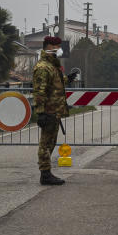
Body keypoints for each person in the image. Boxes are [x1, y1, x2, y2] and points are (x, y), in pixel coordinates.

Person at [32, 36, 77, 185]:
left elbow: (55, 81)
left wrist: (67, 79)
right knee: (46, 143)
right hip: (48, 110)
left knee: (51, 142)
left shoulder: (52, 65)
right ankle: (45, 174)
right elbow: (40, 91)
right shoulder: (43, 67)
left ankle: (47, 172)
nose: (59, 49)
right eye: (57, 46)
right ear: (49, 46)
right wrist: (41, 112)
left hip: (55, 110)